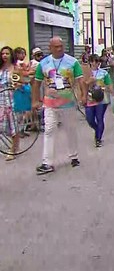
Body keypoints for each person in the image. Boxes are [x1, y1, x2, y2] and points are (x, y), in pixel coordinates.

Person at [32, 37, 85, 175]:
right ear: (50, 48)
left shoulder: (72, 62)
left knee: (70, 130)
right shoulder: (43, 63)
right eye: (56, 46)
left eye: (61, 46)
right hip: (49, 103)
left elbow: (81, 80)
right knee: (49, 130)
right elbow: (36, 83)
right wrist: (35, 100)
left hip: (68, 103)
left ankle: (73, 156)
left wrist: (83, 95)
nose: (59, 49)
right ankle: (47, 162)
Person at [84, 55, 114, 147]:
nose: (96, 63)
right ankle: (97, 129)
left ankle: (98, 138)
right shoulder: (86, 73)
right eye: (94, 61)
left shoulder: (104, 73)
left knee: (99, 118)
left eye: (98, 61)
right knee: (89, 119)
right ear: (90, 62)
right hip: (89, 98)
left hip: (102, 98)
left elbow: (109, 84)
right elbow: (81, 85)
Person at [0, 46, 19, 160]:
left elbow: (22, 82)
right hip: (1, 99)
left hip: (12, 99)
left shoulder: (16, 68)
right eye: (3, 54)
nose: (5, 56)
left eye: (7, 53)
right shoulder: (0, 68)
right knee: (2, 125)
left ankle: (13, 149)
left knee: (14, 124)